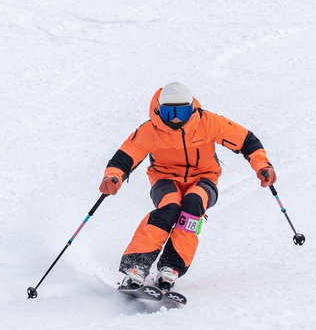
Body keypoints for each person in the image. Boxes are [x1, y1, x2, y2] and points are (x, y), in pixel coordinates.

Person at [99, 82, 276, 294]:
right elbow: (125, 157)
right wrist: (113, 177)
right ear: (159, 109)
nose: (175, 118)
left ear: (191, 108)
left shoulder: (208, 122)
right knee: (169, 208)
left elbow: (247, 141)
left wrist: (263, 166)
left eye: (181, 111)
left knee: (193, 205)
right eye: (169, 112)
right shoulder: (150, 130)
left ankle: (171, 267)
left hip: (204, 179)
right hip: (165, 179)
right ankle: (137, 266)